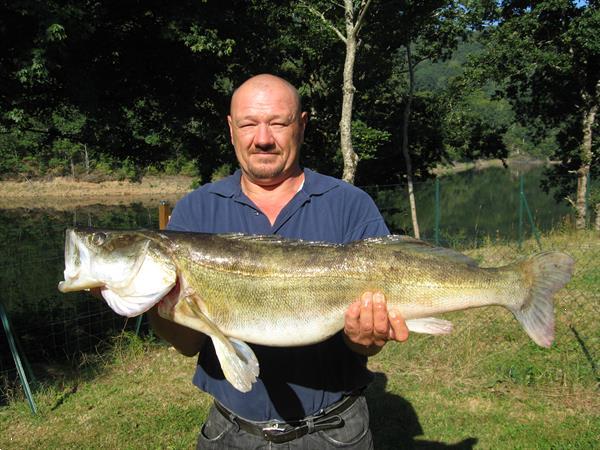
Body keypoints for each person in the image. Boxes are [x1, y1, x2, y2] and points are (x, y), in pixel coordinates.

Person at [148, 74, 409, 449]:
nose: (263, 138)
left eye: (278, 123)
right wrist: (154, 302)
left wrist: (366, 340)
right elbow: (188, 344)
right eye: (249, 124)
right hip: (231, 434)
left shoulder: (350, 204)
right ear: (231, 129)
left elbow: (367, 343)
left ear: (301, 125)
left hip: (335, 433)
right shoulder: (196, 210)